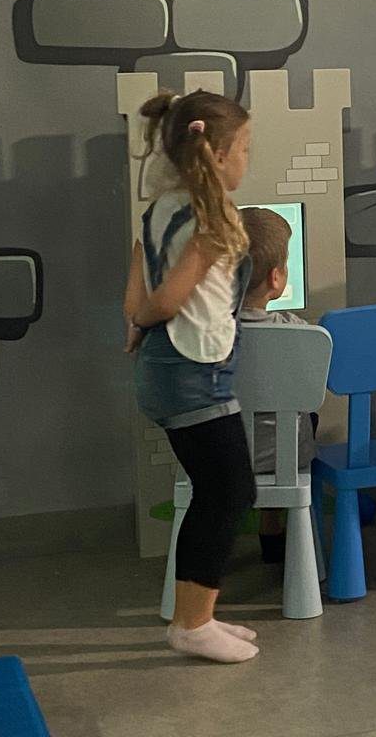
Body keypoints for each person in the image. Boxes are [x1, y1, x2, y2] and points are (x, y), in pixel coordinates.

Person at [124, 89, 259, 664]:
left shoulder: (159, 207)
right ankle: (192, 625)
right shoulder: (210, 218)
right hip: (192, 371)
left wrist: (136, 324)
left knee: (217, 490)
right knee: (229, 491)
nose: (247, 160)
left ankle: (196, 615)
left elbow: (138, 275)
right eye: (245, 149)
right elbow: (166, 299)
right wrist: (144, 318)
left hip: (168, 366)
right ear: (218, 154)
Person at [238, 206, 317, 563]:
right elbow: (313, 396)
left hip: (220, 456)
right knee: (297, 418)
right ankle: (273, 528)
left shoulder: (205, 334)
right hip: (284, 459)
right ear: (276, 278)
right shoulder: (298, 332)